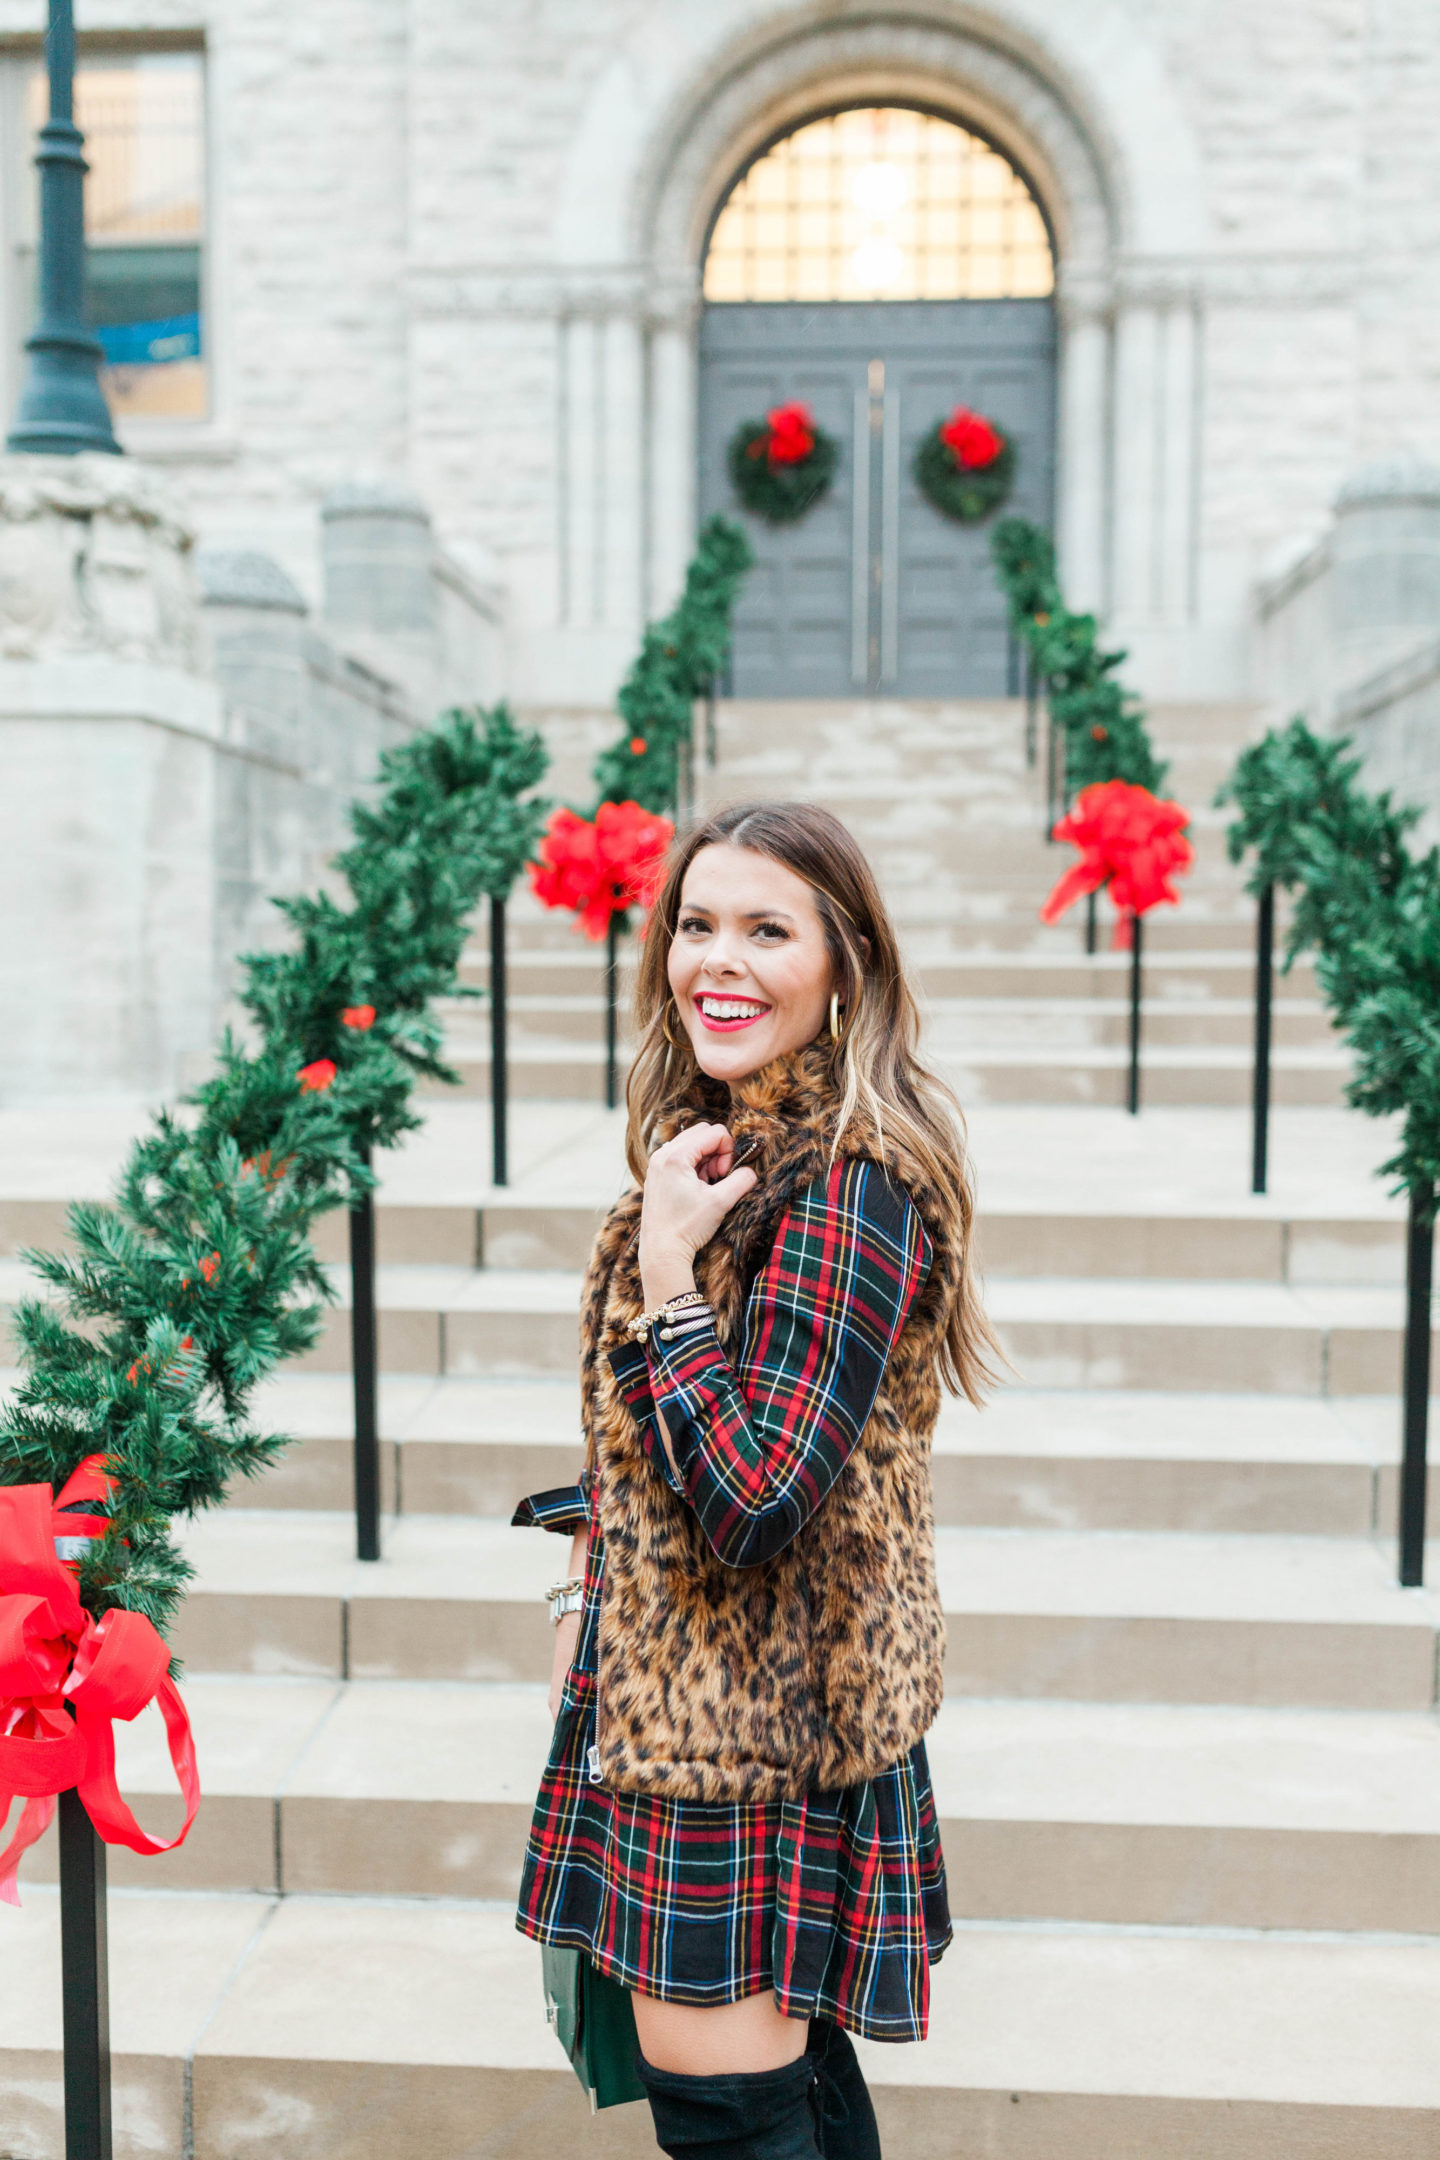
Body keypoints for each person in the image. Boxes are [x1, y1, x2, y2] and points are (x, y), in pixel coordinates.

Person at [514, 799, 998, 2158]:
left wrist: (669, 1276)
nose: (716, 960)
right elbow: (641, 1441)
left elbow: (750, 1496)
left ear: (845, 963)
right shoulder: (720, 1146)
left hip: (751, 1744)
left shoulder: (850, 1186)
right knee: (789, 2103)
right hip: (674, 1703)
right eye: (697, 924)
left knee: (734, 2123)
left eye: (767, 930)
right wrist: (577, 1586)